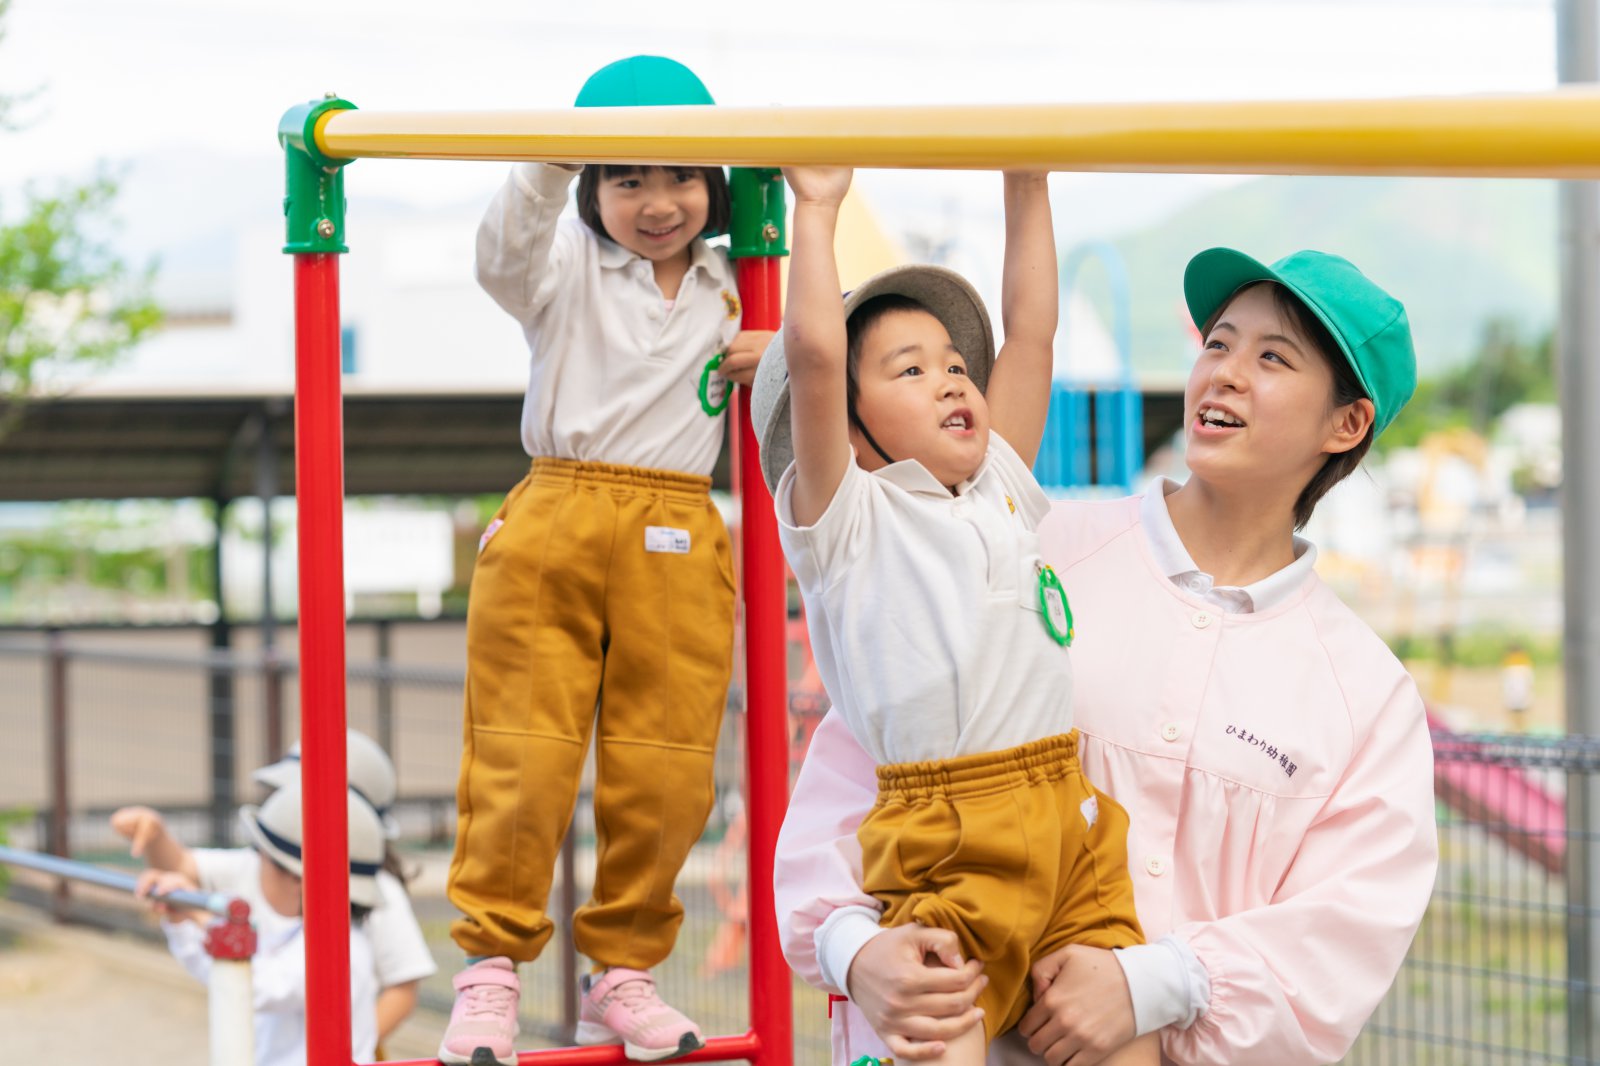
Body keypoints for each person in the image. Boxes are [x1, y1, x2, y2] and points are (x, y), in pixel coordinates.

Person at [773, 248, 1440, 1065]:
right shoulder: (1022, 546)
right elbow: (847, 786)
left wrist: (1153, 984)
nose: (1225, 373)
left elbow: (1344, 934)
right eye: (1218, 344)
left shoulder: (1365, 697)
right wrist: (854, 951)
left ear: (1347, 424)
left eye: (1272, 357)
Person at [751, 164, 1156, 1066]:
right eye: (910, 370)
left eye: (955, 366)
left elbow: (1034, 337)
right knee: (944, 1032)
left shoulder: (998, 488)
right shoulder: (848, 518)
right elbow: (816, 358)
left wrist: (1027, 180)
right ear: (852, 432)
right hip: (949, 831)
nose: (949, 382)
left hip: (1067, 816)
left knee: (1130, 1037)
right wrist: (816, 209)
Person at [442, 54, 774, 1066]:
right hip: (560, 503)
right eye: (624, 179)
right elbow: (502, 255)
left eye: (679, 176)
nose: (657, 201)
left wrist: (793, 347)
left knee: (667, 763)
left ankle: (621, 971)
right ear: (589, 188)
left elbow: (824, 360)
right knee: (521, 747)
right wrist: (548, 157)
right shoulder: (566, 268)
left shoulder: (740, 285)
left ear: (716, 184)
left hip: (676, 526)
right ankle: (491, 967)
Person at [113, 728, 438, 1057]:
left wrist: (348, 1047)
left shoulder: (353, 927)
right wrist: (158, 846)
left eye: (302, 791)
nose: (285, 803)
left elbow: (402, 987)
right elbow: (184, 870)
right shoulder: (264, 866)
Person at [134, 780, 385, 1066]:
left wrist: (202, 917)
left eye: (261, 856)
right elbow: (225, 975)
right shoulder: (298, 933)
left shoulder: (343, 949)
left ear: (296, 879)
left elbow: (262, 987)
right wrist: (182, 919)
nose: (252, 863)